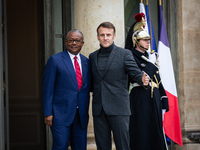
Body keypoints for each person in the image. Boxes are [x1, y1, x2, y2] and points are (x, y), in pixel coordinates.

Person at [89, 21, 149, 150]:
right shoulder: (92, 57)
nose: (105, 38)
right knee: (102, 147)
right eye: (102, 35)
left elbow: (135, 73)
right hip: (99, 110)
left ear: (114, 36)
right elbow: (91, 82)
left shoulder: (125, 54)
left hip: (119, 108)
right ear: (98, 37)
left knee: (123, 146)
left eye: (108, 35)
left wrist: (142, 79)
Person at [125, 13, 169, 150]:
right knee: (142, 131)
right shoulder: (130, 56)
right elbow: (136, 76)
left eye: (148, 39)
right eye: (144, 39)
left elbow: (157, 79)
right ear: (136, 41)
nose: (148, 42)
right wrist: (150, 63)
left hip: (153, 97)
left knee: (155, 129)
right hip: (140, 96)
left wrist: (163, 97)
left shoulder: (149, 57)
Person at [42, 29, 91, 150]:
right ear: (65, 42)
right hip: (60, 115)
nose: (74, 43)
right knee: (60, 147)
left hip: (81, 116)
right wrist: (48, 113)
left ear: (82, 43)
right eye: (71, 40)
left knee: (80, 147)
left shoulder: (87, 62)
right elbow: (47, 88)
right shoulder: (55, 60)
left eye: (77, 41)